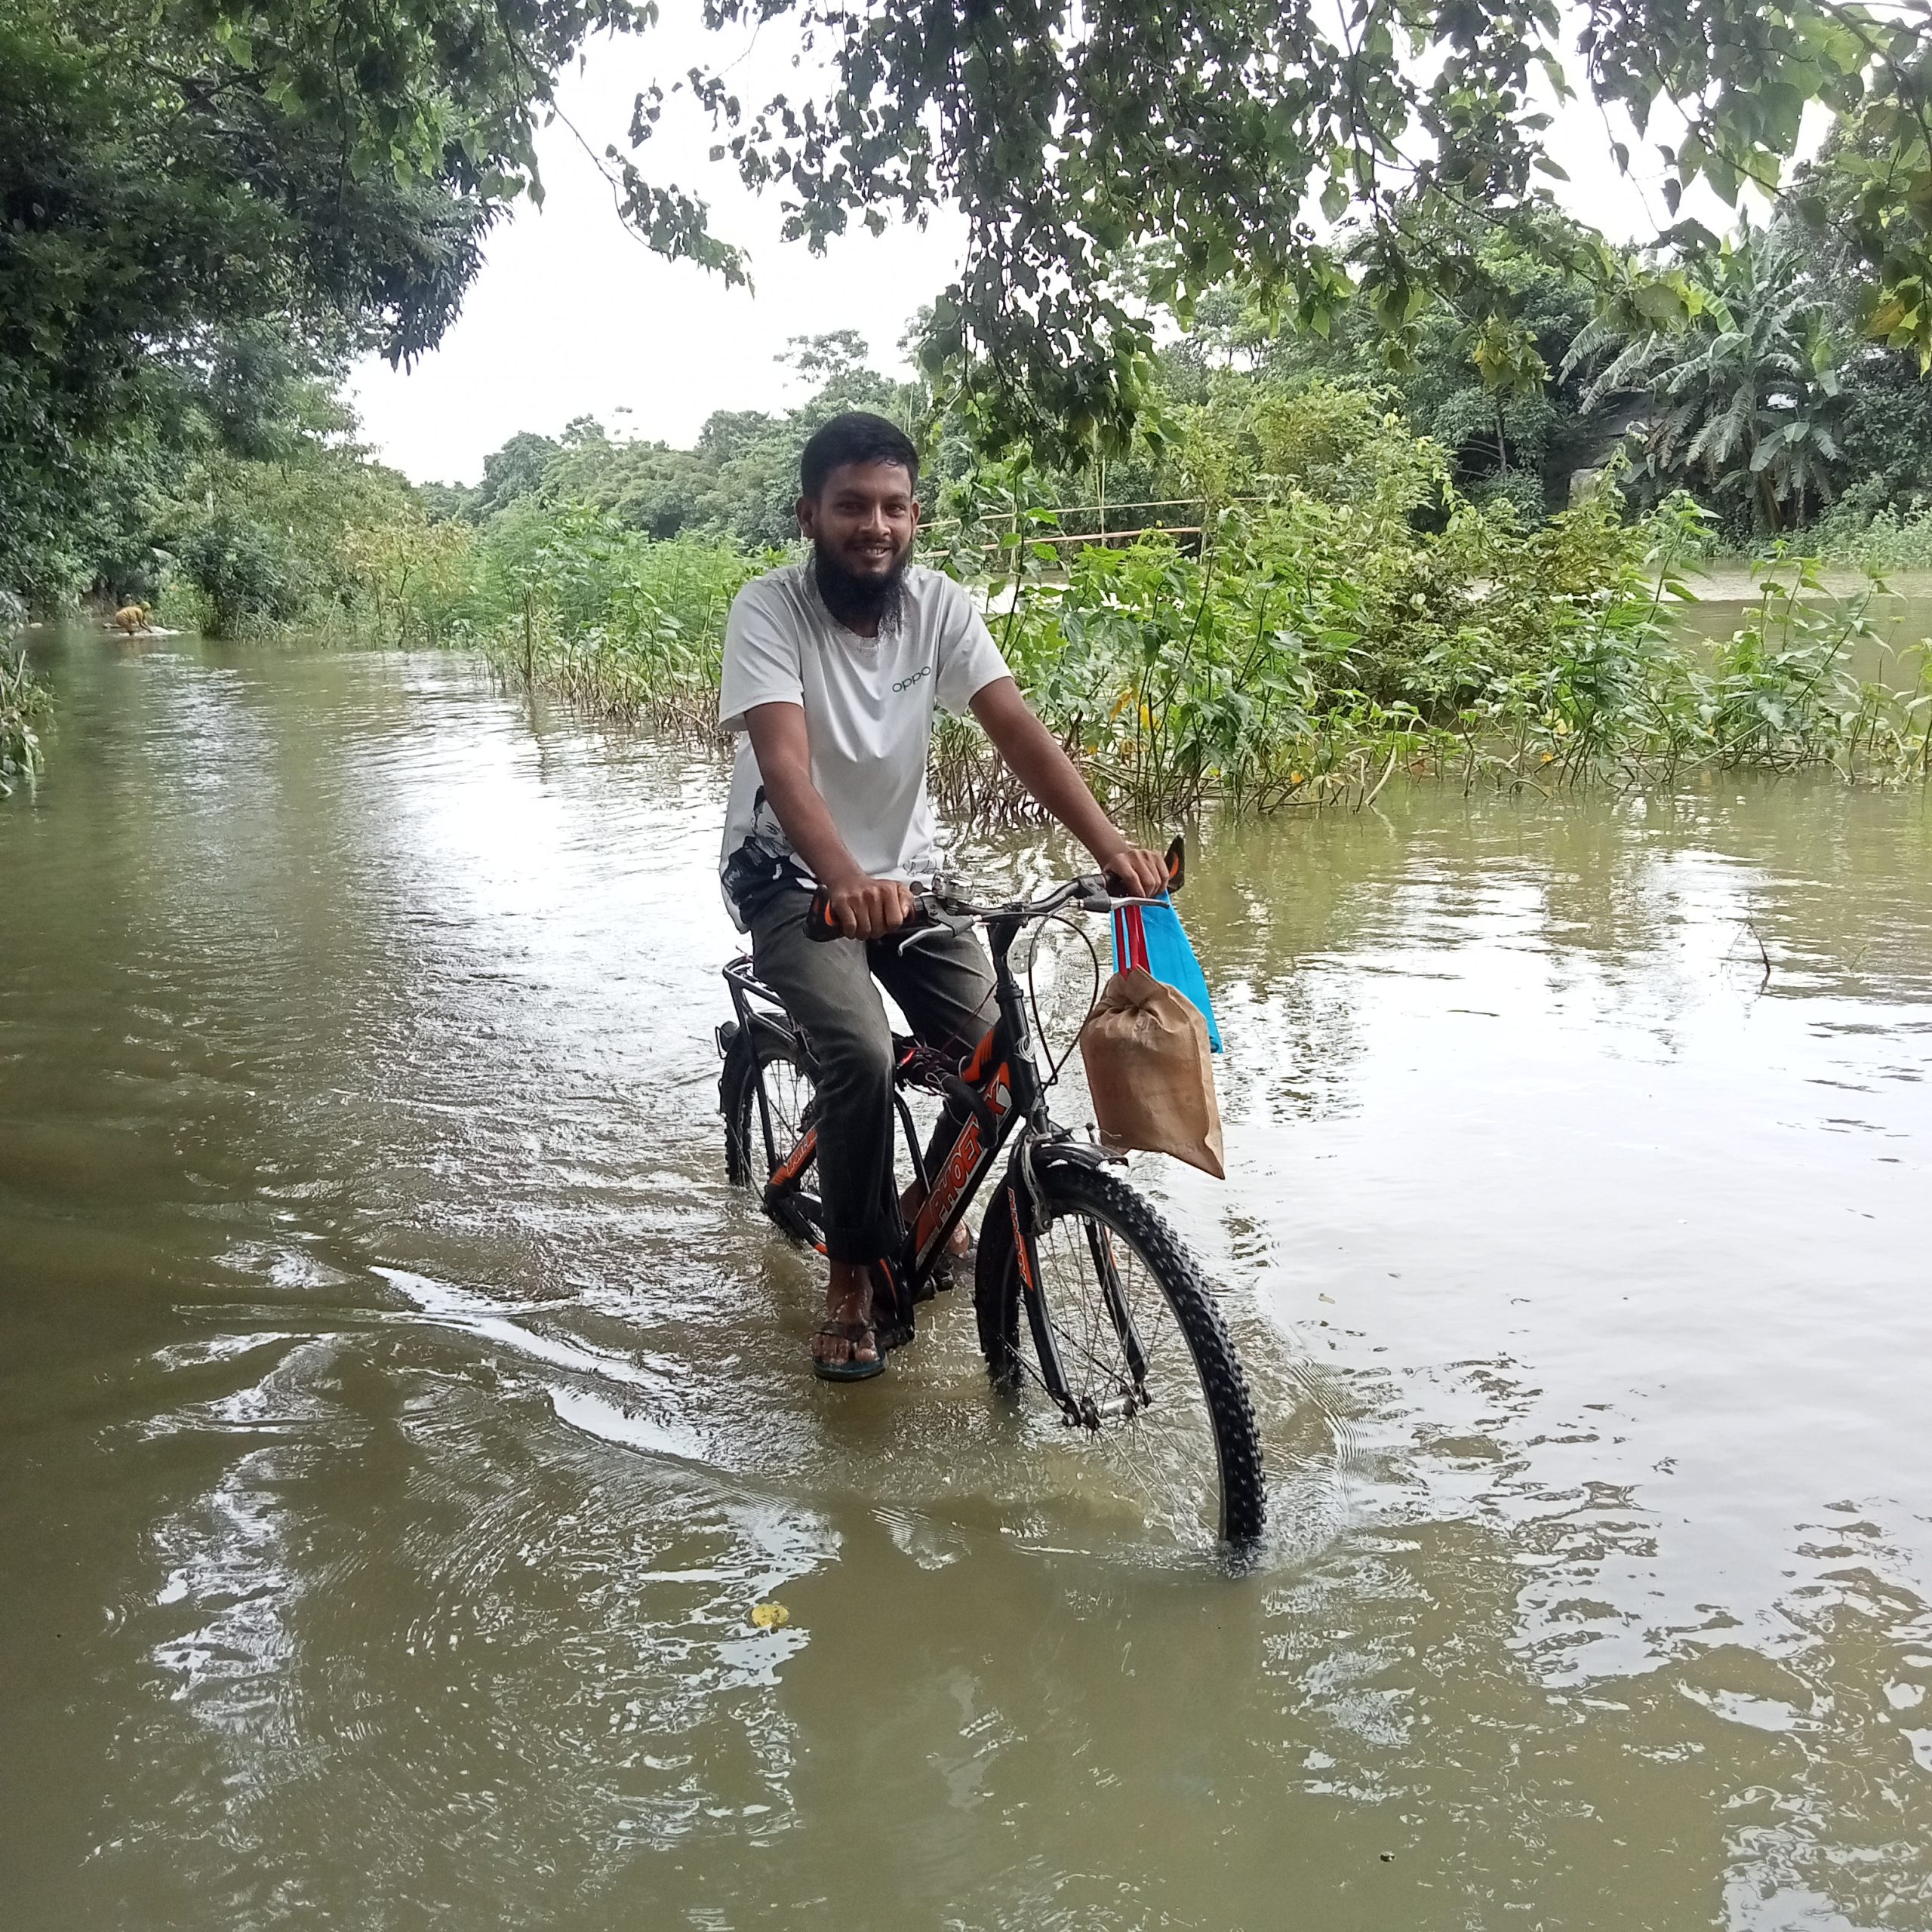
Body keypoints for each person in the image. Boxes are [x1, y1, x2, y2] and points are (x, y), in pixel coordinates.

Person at [718, 411, 1168, 1380]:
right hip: (793, 878)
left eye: (891, 508)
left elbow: (1018, 731)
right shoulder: (769, 610)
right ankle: (850, 1279)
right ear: (808, 515)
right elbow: (785, 763)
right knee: (859, 1051)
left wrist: (1112, 848)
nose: (872, 526)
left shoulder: (940, 608)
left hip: (913, 879)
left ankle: (918, 1216)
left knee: (994, 1057)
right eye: (850, 507)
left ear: (915, 516)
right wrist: (842, 877)